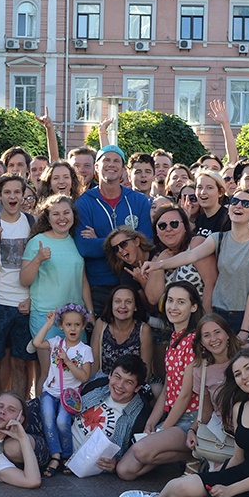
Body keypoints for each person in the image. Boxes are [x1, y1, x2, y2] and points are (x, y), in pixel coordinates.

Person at [100, 347, 249, 497]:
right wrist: (214, 479)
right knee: (181, 486)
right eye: (238, 374)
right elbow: (238, 458)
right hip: (241, 474)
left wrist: (230, 490)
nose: (244, 376)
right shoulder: (240, 407)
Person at [145, 189, 249, 346]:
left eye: (246, 204)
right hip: (221, 314)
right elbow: (191, 255)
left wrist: (244, 331)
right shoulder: (218, 238)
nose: (239, 206)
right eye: (234, 201)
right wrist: (158, 265)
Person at [115, 281, 203, 480]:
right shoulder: (174, 337)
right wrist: (151, 423)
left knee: (141, 451)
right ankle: (185, 454)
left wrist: (163, 429)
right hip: (172, 415)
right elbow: (167, 389)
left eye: (181, 302)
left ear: (193, 307)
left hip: (190, 420)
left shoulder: (194, 341)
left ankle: (196, 455)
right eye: (170, 300)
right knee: (125, 470)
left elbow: (185, 395)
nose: (173, 307)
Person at [21, 194, 91, 392]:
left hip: (75, 319)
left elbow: (83, 281)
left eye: (66, 213)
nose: (62, 218)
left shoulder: (76, 241)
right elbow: (24, 280)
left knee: (75, 374)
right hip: (47, 317)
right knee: (49, 374)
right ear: (48, 217)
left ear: (73, 215)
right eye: (56, 214)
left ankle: (69, 410)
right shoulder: (38, 242)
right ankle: (43, 410)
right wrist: (38, 259)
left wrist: (91, 312)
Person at [73, 146, 154, 318]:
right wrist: (127, 243)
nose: (111, 164)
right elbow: (84, 247)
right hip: (99, 286)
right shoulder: (84, 202)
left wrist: (100, 240)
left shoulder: (139, 201)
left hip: (134, 283)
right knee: (100, 333)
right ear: (96, 167)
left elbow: (145, 242)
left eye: (116, 161)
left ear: (123, 170)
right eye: (106, 160)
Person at [0, 174, 37, 405]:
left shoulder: (33, 223)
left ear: (24, 194)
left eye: (17, 192)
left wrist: (32, 299)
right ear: (0, 195)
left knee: (20, 363)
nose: (12, 196)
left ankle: (18, 411)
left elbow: (39, 268)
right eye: (7, 192)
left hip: (24, 304)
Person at [143, 204, 214, 371]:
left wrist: (207, 325)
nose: (168, 229)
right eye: (162, 226)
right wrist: (160, 262)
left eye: (174, 224)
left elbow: (211, 283)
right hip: (177, 330)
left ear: (185, 226)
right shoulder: (159, 256)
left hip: (201, 325)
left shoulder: (196, 244)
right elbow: (153, 298)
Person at [31, 304, 93, 475]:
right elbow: (37, 342)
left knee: (61, 421)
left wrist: (68, 362)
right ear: (61, 326)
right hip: (50, 391)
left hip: (70, 396)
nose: (72, 329)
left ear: (83, 326)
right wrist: (48, 324)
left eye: (77, 325)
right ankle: (55, 455)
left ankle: (67, 454)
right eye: (68, 324)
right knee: (48, 417)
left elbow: (85, 377)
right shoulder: (55, 343)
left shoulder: (85, 350)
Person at [70, 355, 152, 472]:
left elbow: (137, 457)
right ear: (110, 374)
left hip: (90, 470)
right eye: (117, 377)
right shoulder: (96, 383)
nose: (119, 385)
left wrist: (117, 464)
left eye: (128, 382)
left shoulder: (141, 417)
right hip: (59, 450)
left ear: (137, 388)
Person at [91, 284, 152, 377]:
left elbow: (146, 371)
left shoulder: (144, 330)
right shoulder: (101, 324)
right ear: (111, 305)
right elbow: (94, 365)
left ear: (135, 307)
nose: (122, 306)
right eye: (118, 301)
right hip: (104, 381)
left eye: (128, 302)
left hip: (133, 383)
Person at [102, 228, 152, 311]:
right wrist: (143, 282)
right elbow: (151, 306)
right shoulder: (127, 275)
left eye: (123, 244)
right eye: (115, 249)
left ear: (137, 241)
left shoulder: (159, 253)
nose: (120, 250)